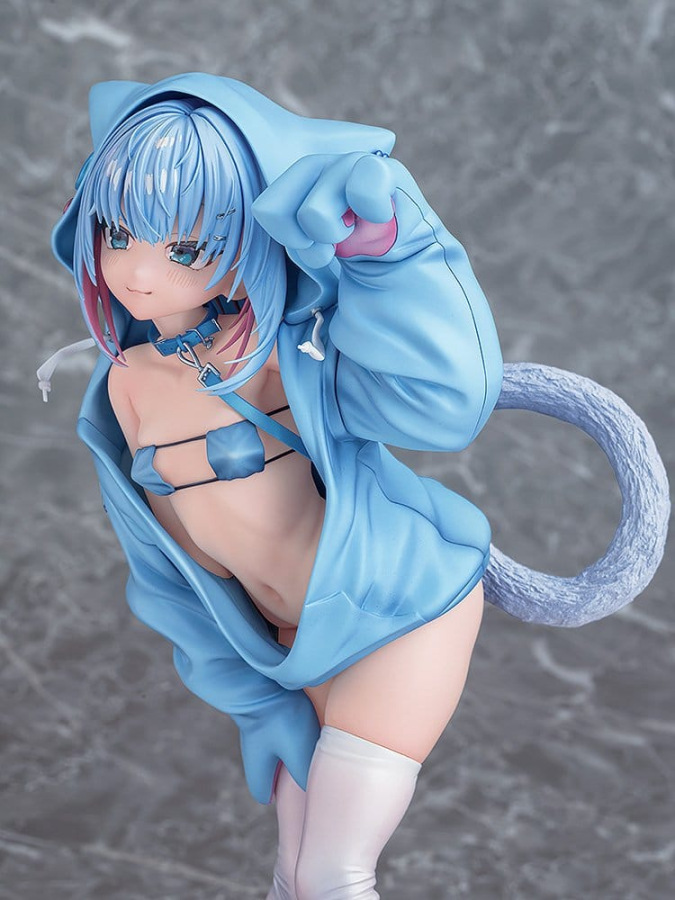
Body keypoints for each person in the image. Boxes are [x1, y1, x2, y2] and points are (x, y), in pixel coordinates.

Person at [45, 74, 668, 899]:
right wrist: (251, 695)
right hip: (296, 644)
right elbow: (166, 568)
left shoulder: (273, 354)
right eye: (118, 233)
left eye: (185, 249)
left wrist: (393, 256)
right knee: (293, 876)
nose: (137, 272)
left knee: (332, 876)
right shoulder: (123, 385)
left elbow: (444, 405)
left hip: (398, 611)